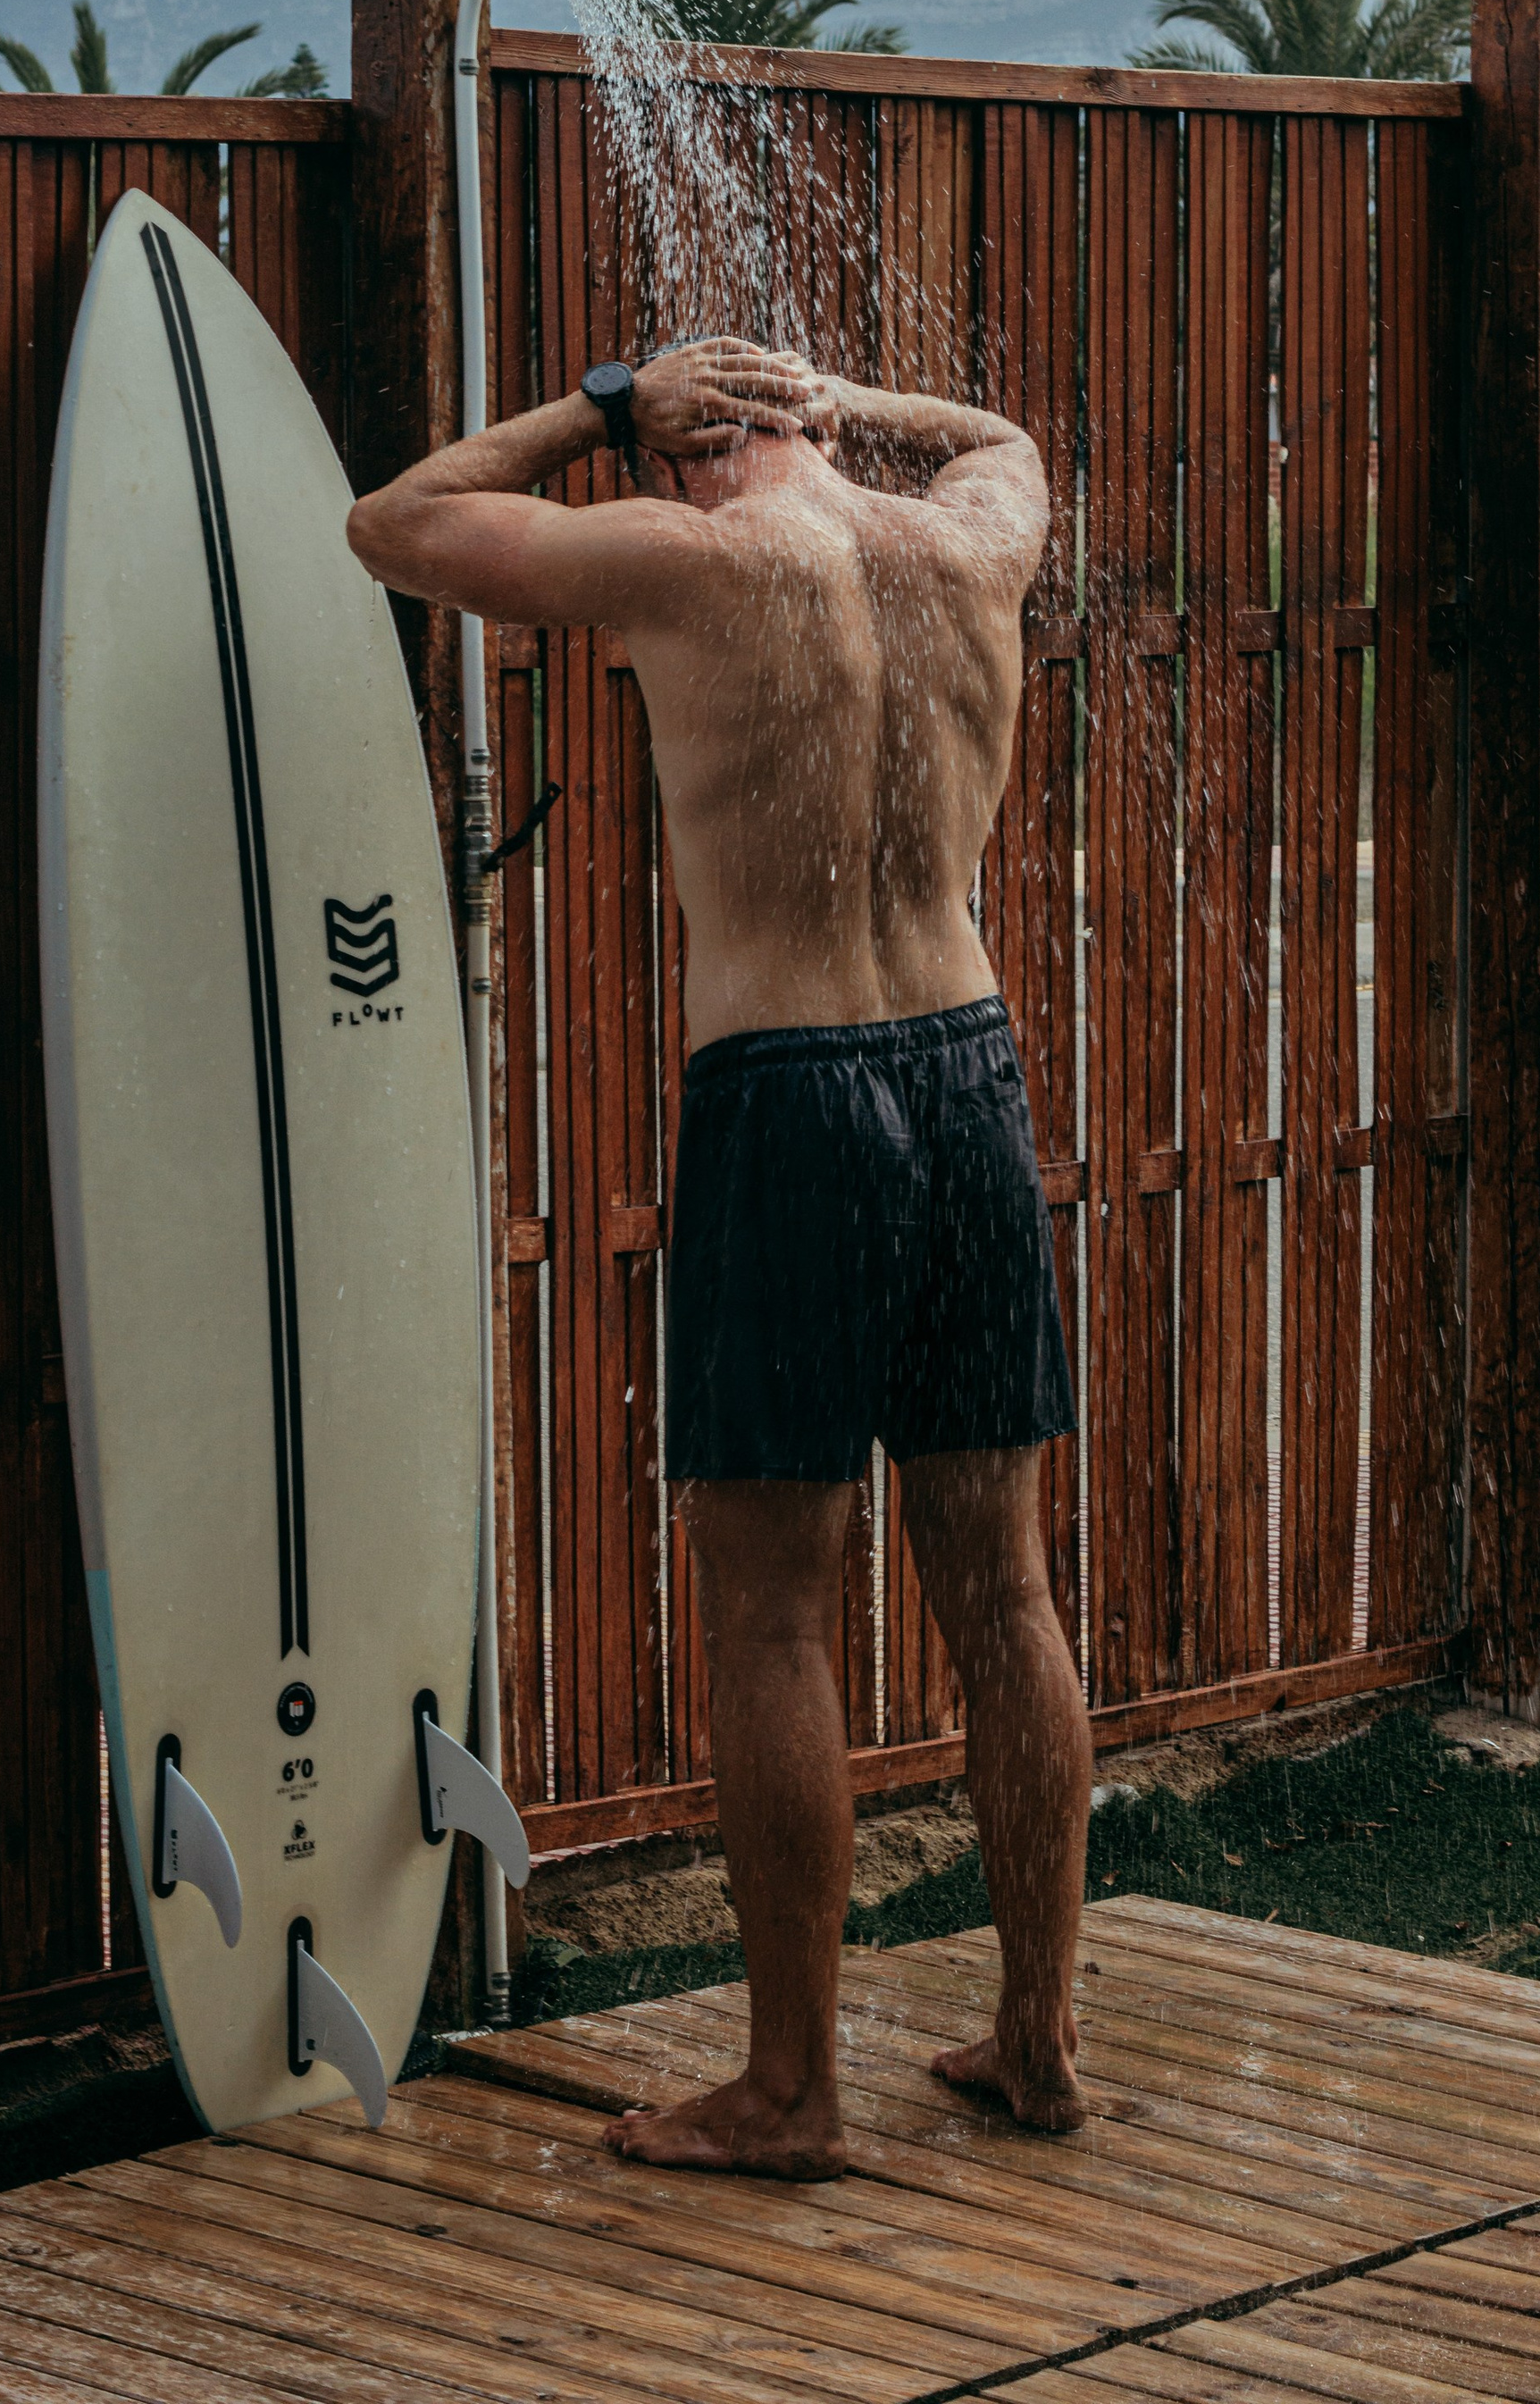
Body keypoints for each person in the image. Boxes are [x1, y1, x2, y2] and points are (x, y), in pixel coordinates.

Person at [345, 335, 1088, 2180]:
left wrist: (601, 404)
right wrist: (847, 402)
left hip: (790, 1095)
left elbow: (394, 522)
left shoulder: (682, 557)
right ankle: (1033, 2035)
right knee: (999, 1588)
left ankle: (790, 2090)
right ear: (812, 434)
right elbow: (1004, 431)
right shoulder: (965, 546)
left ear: (690, 453)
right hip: (968, 1074)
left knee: (772, 1609)